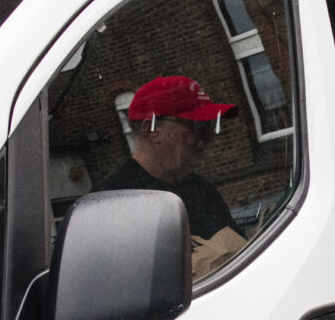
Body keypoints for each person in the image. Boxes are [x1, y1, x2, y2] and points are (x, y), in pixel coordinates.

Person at [97, 75, 238, 238]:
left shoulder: (201, 189)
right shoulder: (110, 203)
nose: (208, 137)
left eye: (211, 125)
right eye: (199, 126)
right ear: (152, 130)